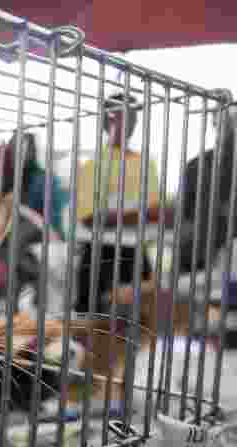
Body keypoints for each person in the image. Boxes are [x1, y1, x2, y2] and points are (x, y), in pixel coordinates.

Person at [73, 92, 161, 316]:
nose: (131, 122)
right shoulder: (93, 166)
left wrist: (116, 215)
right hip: (100, 255)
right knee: (96, 329)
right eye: (124, 116)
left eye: (133, 116)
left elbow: (155, 213)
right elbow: (90, 218)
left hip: (136, 255)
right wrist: (138, 215)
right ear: (106, 120)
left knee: (138, 330)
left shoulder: (146, 163)